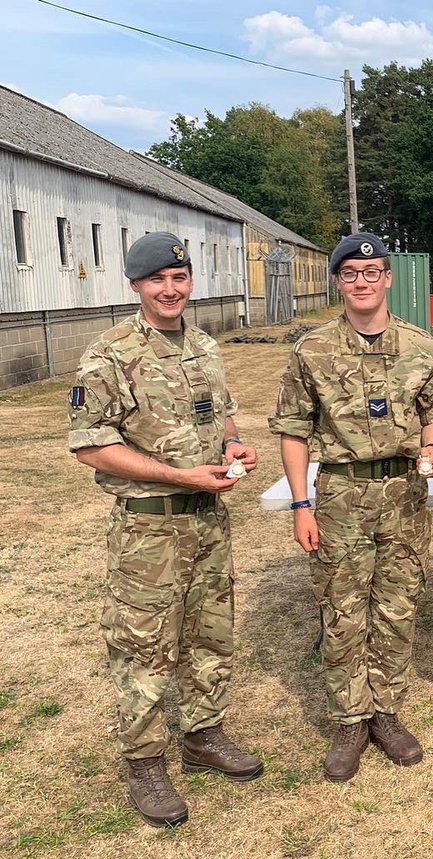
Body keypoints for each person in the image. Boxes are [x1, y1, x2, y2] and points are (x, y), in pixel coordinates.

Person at [68, 232, 262, 828]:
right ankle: (145, 759)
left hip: (209, 522)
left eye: (179, 279)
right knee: (145, 648)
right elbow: (91, 447)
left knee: (210, 636)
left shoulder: (204, 345)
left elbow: (222, 410)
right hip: (148, 531)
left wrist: (232, 444)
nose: (170, 290)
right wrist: (179, 475)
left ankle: (203, 734)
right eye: (158, 280)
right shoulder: (110, 354)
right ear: (136, 286)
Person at [270, 233, 433, 782]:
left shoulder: (422, 347)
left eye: (372, 273)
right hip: (342, 495)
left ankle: (387, 713)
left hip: (403, 495)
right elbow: (294, 430)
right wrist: (301, 502)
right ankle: (351, 718)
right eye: (351, 273)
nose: (363, 282)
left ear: (388, 279)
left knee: (397, 607)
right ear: (339, 282)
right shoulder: (312, 350)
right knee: (343, 609)